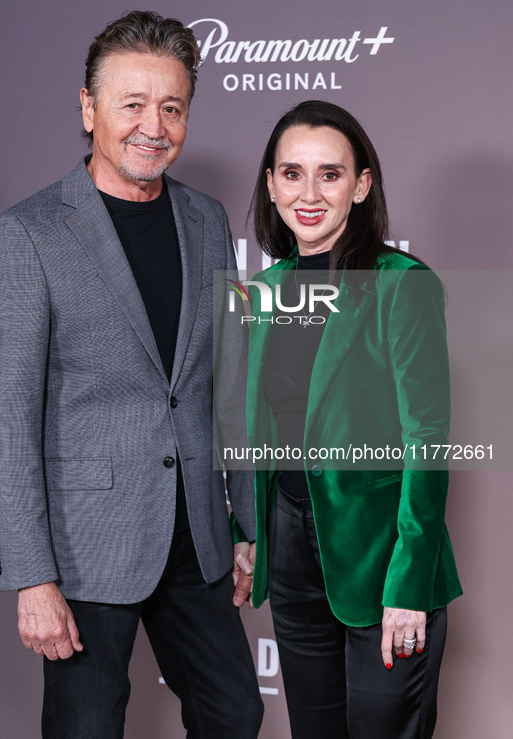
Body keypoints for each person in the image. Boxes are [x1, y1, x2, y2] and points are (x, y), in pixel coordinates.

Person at [0, 11, 263, 738]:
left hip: (195, 537)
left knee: (235, 713)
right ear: (88, 107)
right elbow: (7, 418)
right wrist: (32, 577)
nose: (152, 125)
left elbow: (231, 388)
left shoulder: (207, 219)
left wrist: (246, 525)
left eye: (171, 107)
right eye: (131, 104)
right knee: (85, 728)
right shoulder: (30, 231)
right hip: (85, 545)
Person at [243, 101, 462, 738]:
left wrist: (408, 581)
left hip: (382, 552)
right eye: (291, 173)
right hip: (289, 551)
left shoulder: (402, 284)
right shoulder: (264, 292)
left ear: (361, 185)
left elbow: (428, 441)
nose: (308, 194)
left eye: (330, 175)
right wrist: (250, 533)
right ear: (270, 184)